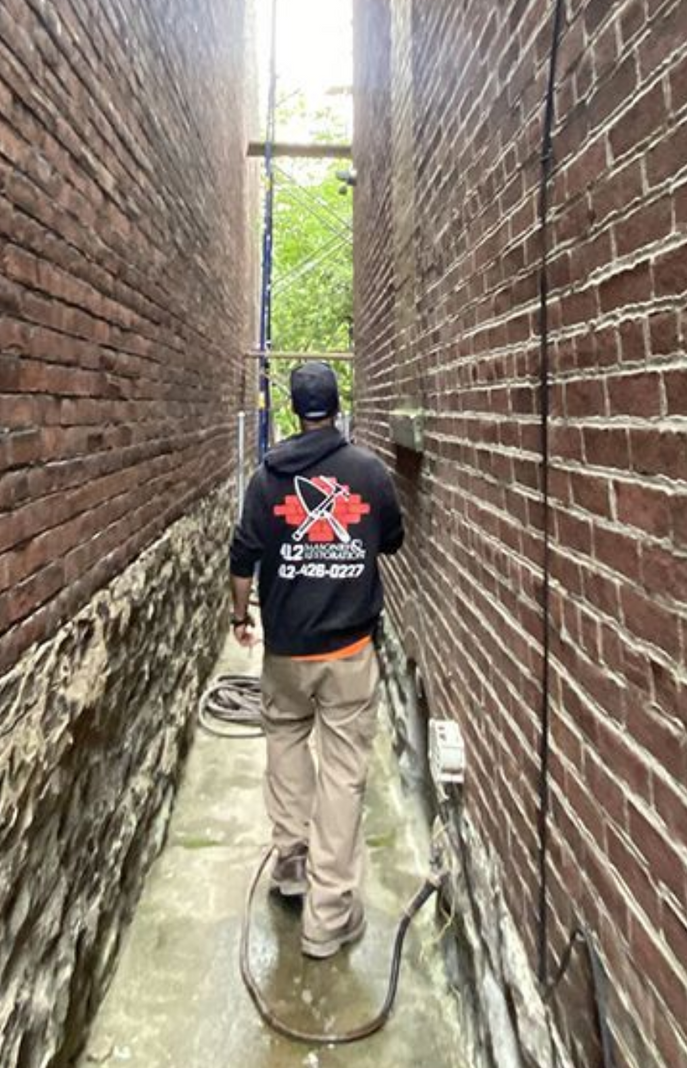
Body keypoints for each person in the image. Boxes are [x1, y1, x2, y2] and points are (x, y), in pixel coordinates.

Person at [227, 362, 406, 960]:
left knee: (284, 747)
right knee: (343, 775)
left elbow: (242, 556)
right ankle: (328, 918)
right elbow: (391, 540)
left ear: (294, 411)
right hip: (350, 653)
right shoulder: (368, 473)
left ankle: (292, 868)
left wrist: (239, 617)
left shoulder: (267, 479)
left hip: (286, 651)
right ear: (336, 407)